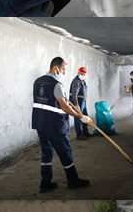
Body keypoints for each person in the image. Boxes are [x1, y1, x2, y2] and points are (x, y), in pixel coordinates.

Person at [31, 57, 91, 193]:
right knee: (65, 152)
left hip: (40, 124)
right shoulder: (56, 84)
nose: (64, 72)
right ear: (56, 68)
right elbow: (63, 106)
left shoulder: (37, 81)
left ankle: (45, 183)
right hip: (55, 125)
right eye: (63, 68)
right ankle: (73, 180)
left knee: (46, 153)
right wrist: (79, 116)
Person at [69, 66, 92, 140]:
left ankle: (85, 132)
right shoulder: (76, 81)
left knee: (85, 116)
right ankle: (79, 134)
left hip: (83, 102)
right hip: (78, 103)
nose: (83, 75)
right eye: (82, 74)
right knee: (78, 118)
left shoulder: (82, 81)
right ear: (78, 73)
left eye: (84, 74)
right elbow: (74, 94)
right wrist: (76, 105)